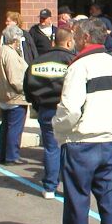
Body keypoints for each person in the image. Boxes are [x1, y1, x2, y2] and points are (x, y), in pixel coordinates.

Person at [52, 18, 112, 224]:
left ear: (85, 38)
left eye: (77, 35)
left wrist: (59, 130)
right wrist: (110, 123)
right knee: (108, 203)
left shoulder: (79, 67)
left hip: (81, 143)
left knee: (77, 203)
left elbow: (70, 109)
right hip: (107, 141)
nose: (74, 39)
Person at [24, 28, 74, 199]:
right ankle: (70, 187)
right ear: (69, 42)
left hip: (46, 110)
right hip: (67, 111)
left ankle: (50, 187)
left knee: (51, 148)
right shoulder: (73, 62)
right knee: (69, 149)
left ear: (53, 42)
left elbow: (28, 87)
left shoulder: (38, 61)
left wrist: (37, 105)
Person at [0, 25, 30, 165]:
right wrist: (27, 90)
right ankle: (12, 156)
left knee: (5, 126)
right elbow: (15, 79)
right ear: (15, 39)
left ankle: (3, 155)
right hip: (14, 97)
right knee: (14, 128)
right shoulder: (11, 54)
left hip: (2, 96)